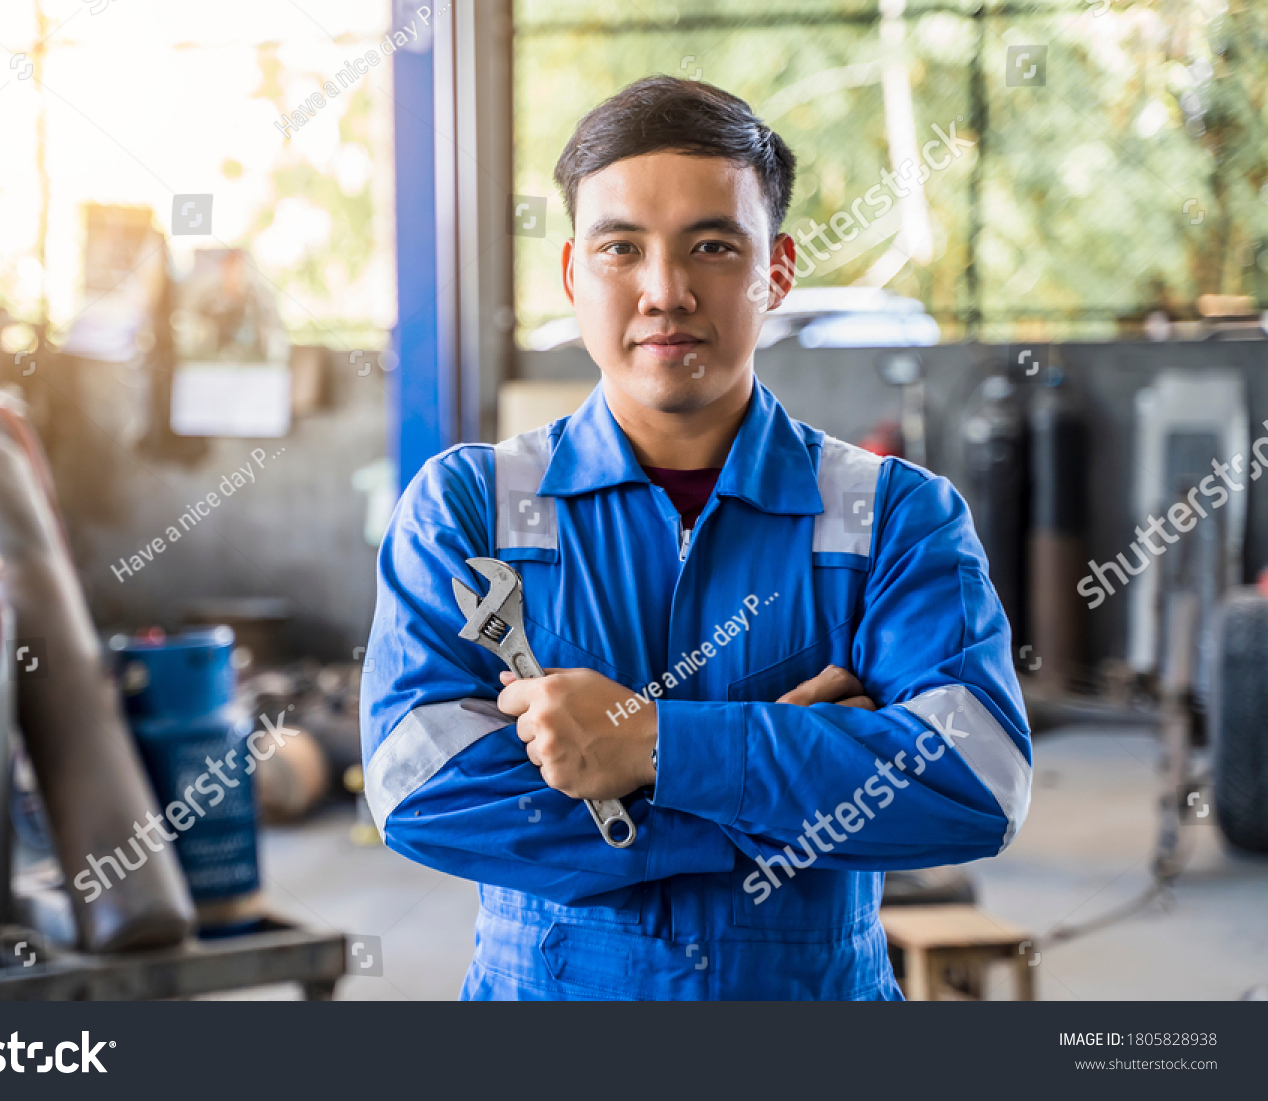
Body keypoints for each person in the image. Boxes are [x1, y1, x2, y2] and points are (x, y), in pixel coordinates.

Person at [359, 76, 1030, 1000]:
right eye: (620, 249)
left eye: (712, 246)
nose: (664, 291)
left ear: (777, 270)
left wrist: (651, 746)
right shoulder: (471, 507)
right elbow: (420, 790)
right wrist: (776, 776)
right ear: (570, 274)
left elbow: (973, 782)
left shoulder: (897, 516)